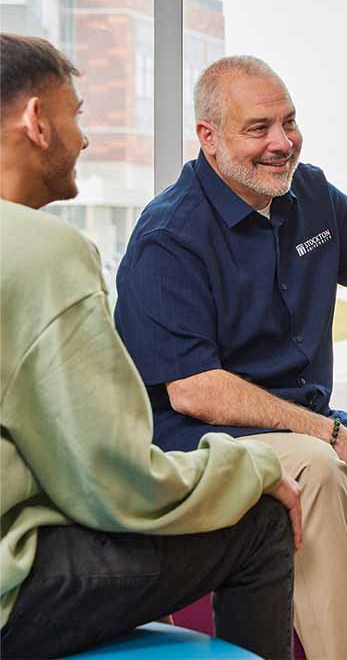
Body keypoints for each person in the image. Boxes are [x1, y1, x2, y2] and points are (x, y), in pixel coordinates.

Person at [112, 55, 347, 660]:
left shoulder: (309, 193)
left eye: (289, 122)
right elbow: (194, 392)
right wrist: (332, 438)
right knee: (313, 468)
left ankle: (310, 504)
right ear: (209, 138)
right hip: (198, 449)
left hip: (308, 432)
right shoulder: (167, 237)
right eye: (258, 128)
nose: (281, 143)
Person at [0, 33, 300, 660]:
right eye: (75, 114)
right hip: (14, 594)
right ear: (35, 121)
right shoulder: (43, 253)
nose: (84, 139)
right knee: (261, 524)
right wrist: (255, 468)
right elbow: (116, 479)